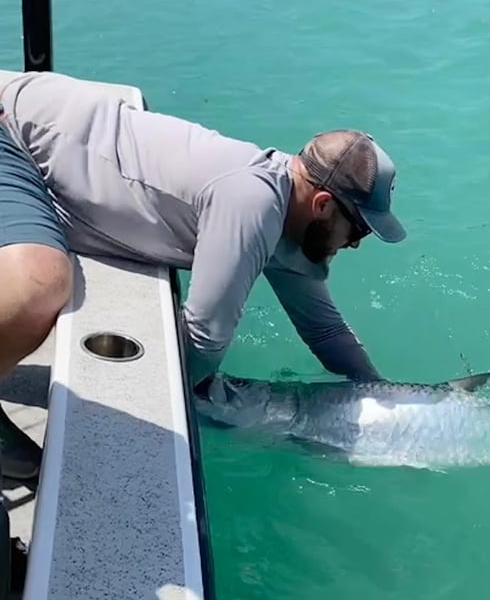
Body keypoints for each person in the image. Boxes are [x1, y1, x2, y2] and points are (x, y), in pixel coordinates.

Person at [0, 70, 406, 478]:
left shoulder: (290, 220)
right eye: (358, 229)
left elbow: (326, 332)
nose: (356, 243)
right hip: (12, 129)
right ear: (321, 204)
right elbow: (203, 338)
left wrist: (381, 393)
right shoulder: (253, 202)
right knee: (42, 282)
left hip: (47, 141)